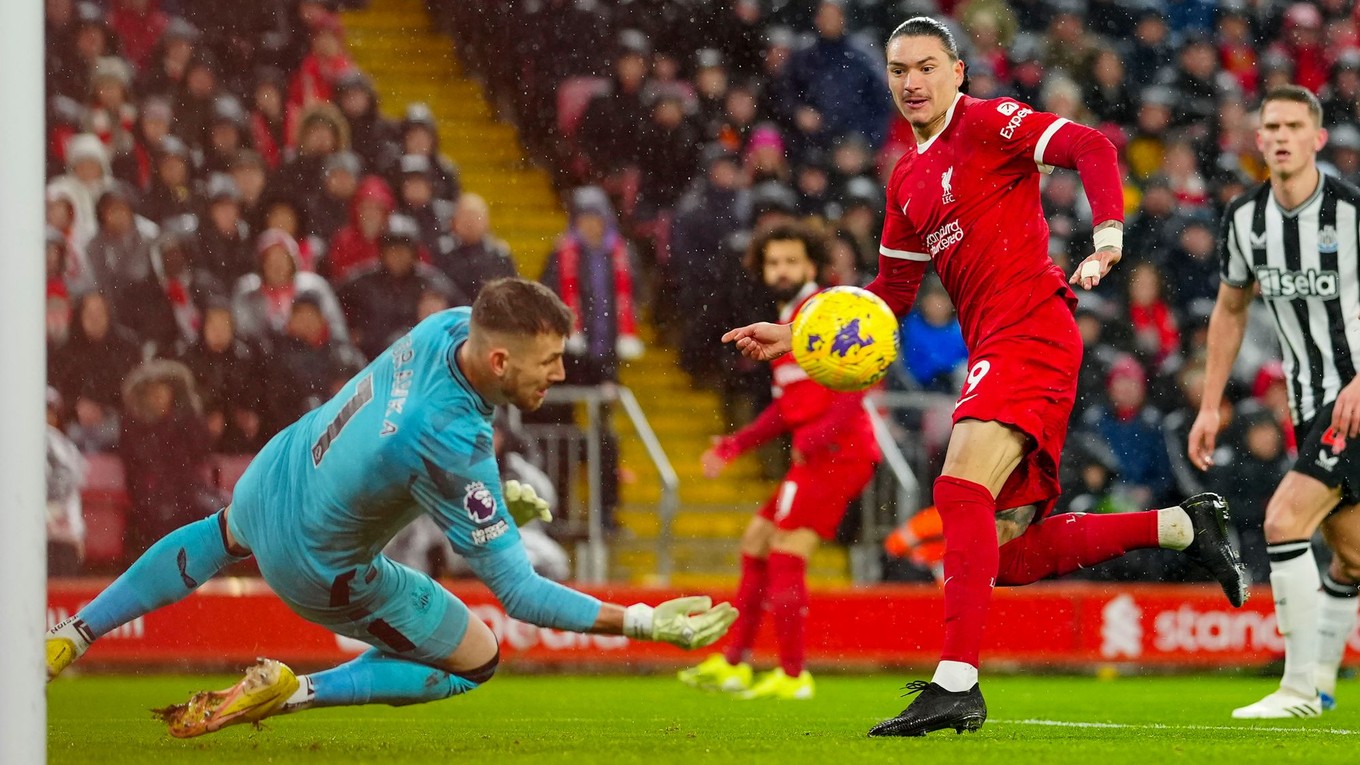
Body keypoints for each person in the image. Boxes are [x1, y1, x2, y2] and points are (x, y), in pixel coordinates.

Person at [721, 17, 1248, 737]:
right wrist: (797, 331)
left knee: (956, 487)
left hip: (1032, 325)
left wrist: (1108, 237)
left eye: (927, 67)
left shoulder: (990, 122)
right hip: (997, 345)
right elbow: (889, 299)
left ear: (957, 72)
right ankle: (1186, 524)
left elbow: (1089, 145)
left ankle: (956, 681)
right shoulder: (905, 180)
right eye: (900, 70)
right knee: (1003, 552)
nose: (912, 82)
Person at [46, 278, 737, 738]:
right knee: (480, 656)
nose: (559, 374)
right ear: (499, 360)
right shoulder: (455, 441)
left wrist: (490, 506)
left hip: (277, 473)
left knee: (213, 537)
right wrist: (644, 620)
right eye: (550, 361)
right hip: (317, 568)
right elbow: (519, 592)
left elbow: (397, 462)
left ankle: (73, 634)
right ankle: (292, 691)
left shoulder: (446, 328)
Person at [1189, 85, 1360, 719]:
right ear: (1259, 141)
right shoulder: (1244, 219)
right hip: (1310, 405)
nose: (1282, 137)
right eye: (1272, 127)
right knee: (1351, 555)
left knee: (1284, 520)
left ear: (1318, 139)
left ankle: (1299, 691)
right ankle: (1320, 684)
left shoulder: (1350, 211)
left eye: (1295, 126)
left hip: (1354, 401)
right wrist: (1210, 406)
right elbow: (1231, 309)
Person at [678, 222, 880, 701]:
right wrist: (735, 444)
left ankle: (793, 676)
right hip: (817, 454)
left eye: (791, 260)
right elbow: (787, 407)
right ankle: (736, 665)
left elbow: (864, 376)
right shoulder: (789, 322)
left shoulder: (824, 310)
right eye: (773, 262)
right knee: (758, 539)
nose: (781, 270)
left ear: (811, 265)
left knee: (787, 550)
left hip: (839, 454)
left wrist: (818, 436)